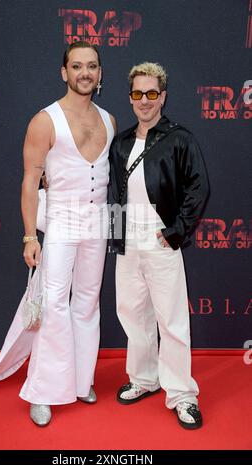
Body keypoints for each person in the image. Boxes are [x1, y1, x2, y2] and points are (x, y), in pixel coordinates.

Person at [0, 41, 116, 427]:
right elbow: (30, 182)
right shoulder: (45, 120)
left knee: (88, 304)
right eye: (77, 66)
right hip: (59, 224)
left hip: (97, 226)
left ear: (100, 73)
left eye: (91, 66)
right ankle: (43, 391)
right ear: (64, 72)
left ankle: (80, 381)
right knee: (53, 305)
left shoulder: (109, 119)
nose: (85, 73)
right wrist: (30, 237)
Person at [109, 62, 209, 429]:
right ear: (130, 97)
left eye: (152, 93)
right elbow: (111, 191)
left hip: (161, 238)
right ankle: (144, 379)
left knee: (171, 320)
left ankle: (183, 394)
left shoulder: (179, 138)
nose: (145, 101)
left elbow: (199, 187)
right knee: (132, 316)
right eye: (138, 94)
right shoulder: (120, 144)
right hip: (127, 239)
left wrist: (176, 231)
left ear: (163, 96)